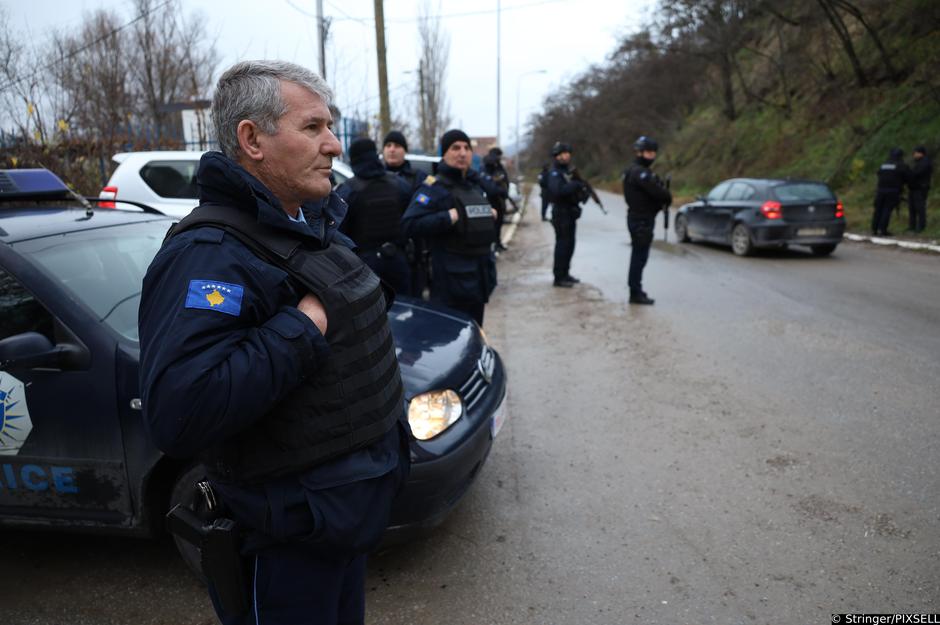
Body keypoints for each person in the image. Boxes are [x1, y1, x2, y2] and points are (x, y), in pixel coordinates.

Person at [138, 60, 409, 625]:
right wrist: (305, 324)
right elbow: (183, 410)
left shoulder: (305, 226)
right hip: (286, 542)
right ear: (251, 139)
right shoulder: (208, 255)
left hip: (338, 525)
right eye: (313, 128)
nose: (334, 145)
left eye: (329, 127)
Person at [401, 129, 498, 325]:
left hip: (479, 280)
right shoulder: (434, 188)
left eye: (466, 148)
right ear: (444, 153)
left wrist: (489, 214)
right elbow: (409, 225)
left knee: (475, 338)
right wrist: (447, 217)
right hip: (451, 286)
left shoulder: (474, 186)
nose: (462, 153)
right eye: (455, 148)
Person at [336, 137, 412, 295]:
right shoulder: (400, 184)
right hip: (399, 261)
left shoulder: (347, 190)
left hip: (363, 266)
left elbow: (338, 235)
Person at [622, 135, 672, 305]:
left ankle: (636, 290)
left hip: (640, 217)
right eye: (648, 152)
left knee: (639, 256)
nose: (651, 156)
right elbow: (659, 193)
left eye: (653, 153)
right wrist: (665, 196)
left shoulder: (635, 171)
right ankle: (635, 292)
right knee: (639, 257)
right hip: (641, 219)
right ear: (639, 152)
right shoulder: (640, 172)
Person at [546, 141, 588, 288]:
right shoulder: (554, 173)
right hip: (561, 213)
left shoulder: (567, 172)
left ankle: (565, 273)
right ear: (557, 156)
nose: (566, 156)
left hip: (570, 212)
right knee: (562, 245)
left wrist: (582, 190)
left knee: (570, 244)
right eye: (563, 154)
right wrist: (575, 185)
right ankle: (559, 276)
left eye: (568, 153)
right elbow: (558, 191)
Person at [872, 147, 910, 236]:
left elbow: (879, 174)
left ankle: (874, 229)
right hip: (893, 191)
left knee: (878, 209)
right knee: (886, 210)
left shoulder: (884, 164)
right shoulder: (901, 165)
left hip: (880, 191)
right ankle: (882, 230)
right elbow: (908, 178)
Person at [481, 147, 511, 251]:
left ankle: (498, 243)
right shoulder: (487, 165)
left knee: (499, 224)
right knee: (492, 225)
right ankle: (493, 246)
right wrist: (502, 190)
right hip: (490, 201)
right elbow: (489, 187)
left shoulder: (499, 166)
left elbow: (505, 179)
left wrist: (504, 191)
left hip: (500, 201)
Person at [908, 146, 932, 233]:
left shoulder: (925, 162)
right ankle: (912, 226)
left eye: (915, 153)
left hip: (920, 188)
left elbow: (917, 173)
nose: (914, 155)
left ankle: (921, 226)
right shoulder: (918, 162)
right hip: (914, 188)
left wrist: (909, 174)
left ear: (920, 153)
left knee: (920, 208)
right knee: (912, 208)